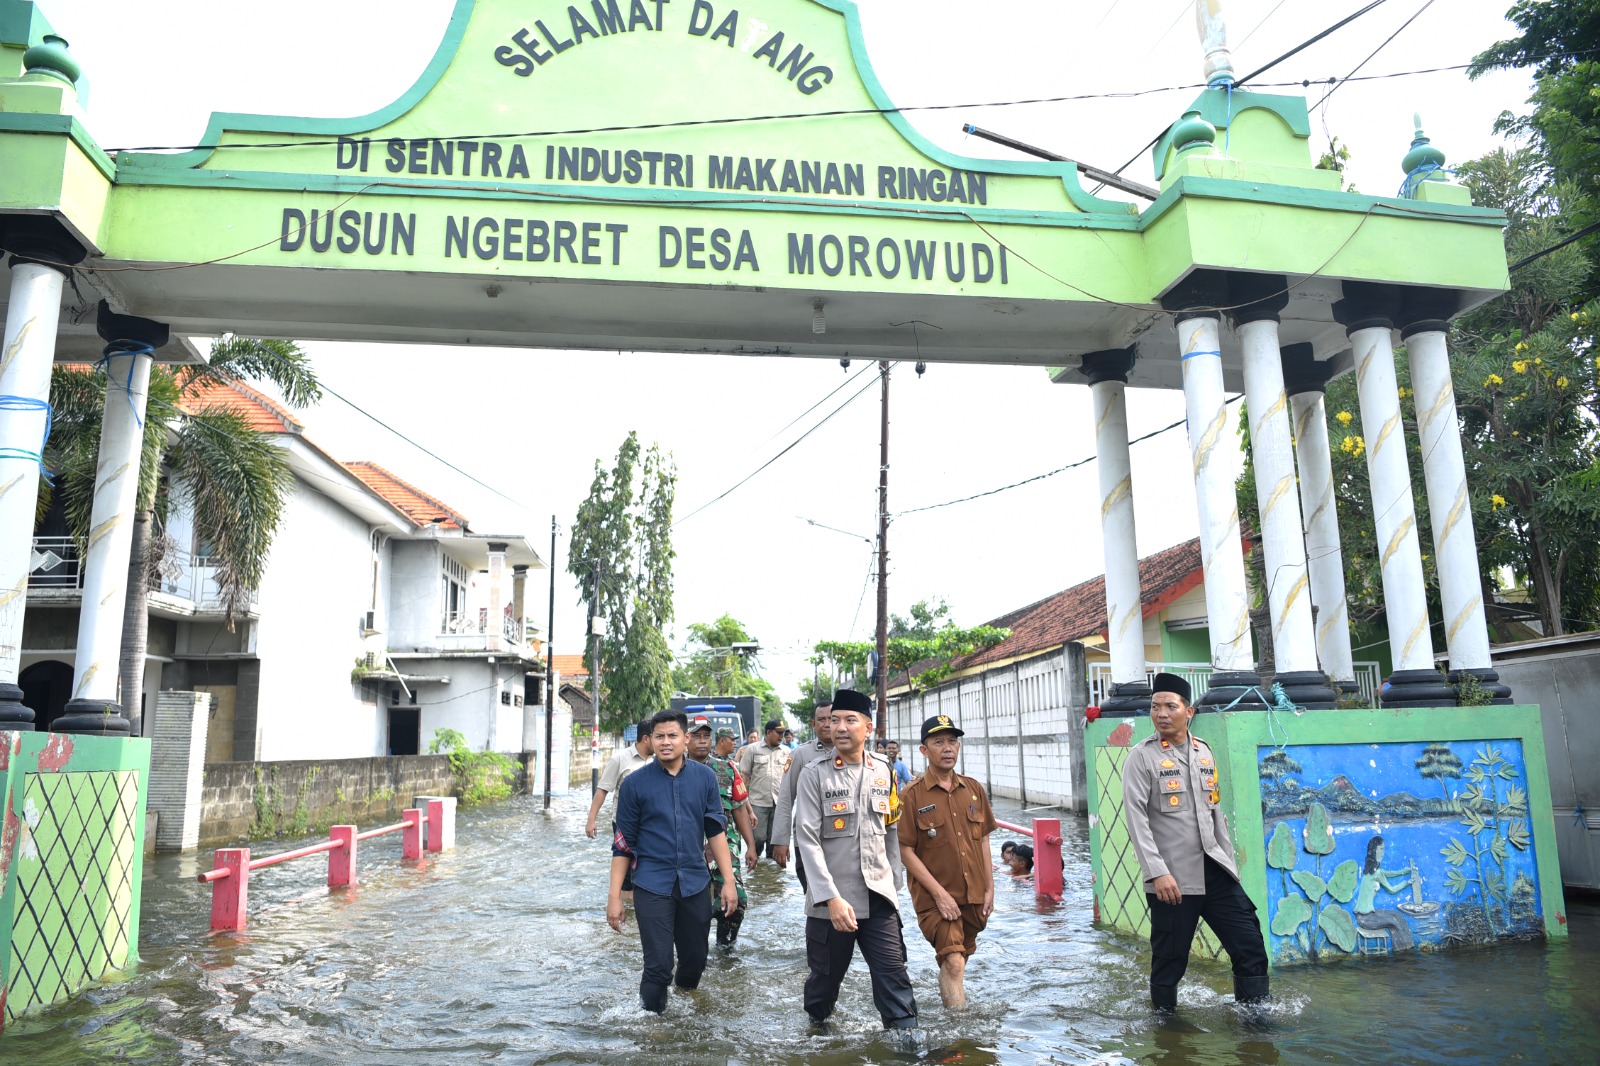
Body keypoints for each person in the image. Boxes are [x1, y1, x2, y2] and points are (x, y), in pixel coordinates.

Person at [1122, 673, 1269, 1012]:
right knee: (1170, 958)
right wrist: (1157, 872)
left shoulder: (1204, 750)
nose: (1161, 713)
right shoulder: (1141, 757)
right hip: (1173, 879)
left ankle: (1255, 1019)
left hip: (1215, 870)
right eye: (1155, 707)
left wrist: (1229, 861)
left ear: (1188, 711)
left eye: (1170, 706)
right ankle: (1165, 1025)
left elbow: (1216, 812)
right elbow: (1137, 821)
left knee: (1249, 944)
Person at [794, 688, 919, 1032]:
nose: (840, 727)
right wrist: (830, 898)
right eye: (835, 720)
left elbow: (891, 829)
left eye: (850, 720)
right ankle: (816, 1035)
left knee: (894, 977)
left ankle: (908, 1045)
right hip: (830, 903)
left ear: (868, 727)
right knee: (823, 986)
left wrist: (893, 884)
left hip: (879, 899)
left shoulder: (884, 770)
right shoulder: (814, 774)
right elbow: (807, 839)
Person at [607, 710, 740, 1013]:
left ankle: (683, 1004)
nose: (666, 742)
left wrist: (728, 882)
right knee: (658, 965)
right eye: (659, 736)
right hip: (651, 884)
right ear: (650, 741)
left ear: (685, 739)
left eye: (672, 736)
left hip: (695, 883)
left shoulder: (704, 777)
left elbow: (716, 831)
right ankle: (653, 1026)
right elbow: (622, 846)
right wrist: (614, 897)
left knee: (695, 960)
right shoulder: (634, 785)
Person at [897, 713, 996, 1009]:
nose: (948, 748)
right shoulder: (911, 796)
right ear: (924, 750)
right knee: (954, 962)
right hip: (934, 898)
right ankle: (959, 1038)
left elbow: (985, 839)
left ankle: (944, 1008)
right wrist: (939, 895)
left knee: (958, 960)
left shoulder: (974, 789)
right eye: (938, 742)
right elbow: (905, 850)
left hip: (974, 895)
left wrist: (990, 887)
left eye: (952, 741)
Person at [689, 720, 758, 950]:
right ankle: (695, 951)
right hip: (688, 847)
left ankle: (725, 947)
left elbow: (738, 807)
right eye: (696, 736)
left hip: (724, 846)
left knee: (737, 900)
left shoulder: (727, 769)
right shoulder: (675, 769)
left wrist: (751, 845)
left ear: (712, 740)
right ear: (686, 739)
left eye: (705, 737)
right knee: (692, 906)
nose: (701, 741)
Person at [770, 700, 833, 880]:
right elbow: (785, 798)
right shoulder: (800, 754)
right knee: (815, 897)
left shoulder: (850, 752)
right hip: (808, 839)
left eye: (832, 719)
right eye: (821, 719)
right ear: (813, 724)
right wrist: (781, 840)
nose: (827, 724)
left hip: (843, 840)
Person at [585, 717, 654, 840]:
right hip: (624, 824)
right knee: (623, 858)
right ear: (646, 739)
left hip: (650, 824)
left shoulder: (658, 760)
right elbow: (602, 790)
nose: (662, 741)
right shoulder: (620, 759)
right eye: (657, 737)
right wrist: (591, 820)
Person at [735, 718, 789, 858]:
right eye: (779, 733)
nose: (782, 736)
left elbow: (791, 778)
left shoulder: (786, 751)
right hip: (757, 803)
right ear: (769, 732)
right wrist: (742, 803)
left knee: (774, 842)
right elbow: (744, 777)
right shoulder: (753, 749)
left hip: (779, 804)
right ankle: (756, 864)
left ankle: (770, 874)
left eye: (783, 733)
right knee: (757, 839)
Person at [1354, 835, 1415, 951]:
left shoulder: (1373, 871)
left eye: (1383, 849)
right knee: (1395, 922)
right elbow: (1392, 890)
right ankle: (1403, 953)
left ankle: (1408, 948)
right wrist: (1407, 883)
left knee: (1398, 916)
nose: (1383, 852)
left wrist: (1405, 871)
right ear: (1373, 851)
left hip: (1369, 915)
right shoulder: (1375, 874)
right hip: (1365, 919)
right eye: (1380, 849)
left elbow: (1390, 873)